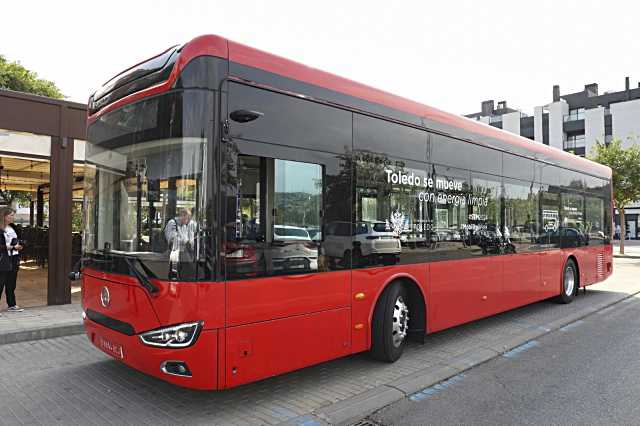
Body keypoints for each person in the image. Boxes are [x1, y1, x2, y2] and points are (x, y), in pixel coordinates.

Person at [0, 207, 23, 313]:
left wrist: (17, 245)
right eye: (11, 215)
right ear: (4, 216)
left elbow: (13, 241)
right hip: (4, 258)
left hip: (13, 257)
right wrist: (13, 247)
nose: (13, 217)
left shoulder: (11, 227)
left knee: (11, 282)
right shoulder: (1, 229)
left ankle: (11, 304)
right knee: (1, 282)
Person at [164, 208, 197, 279]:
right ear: (182, 216)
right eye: (187, 218)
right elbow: (171, 239)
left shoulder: (184, 225)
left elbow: (187, 238)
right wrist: (185, 242)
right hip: (175, 254)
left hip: (183, 254)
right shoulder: (172, 223)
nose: (188, 221)